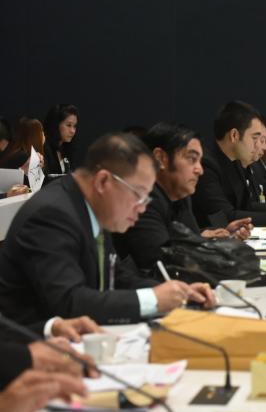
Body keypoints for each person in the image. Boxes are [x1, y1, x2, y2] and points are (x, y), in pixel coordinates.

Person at [0, 132, 215, 329]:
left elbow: (115, 277)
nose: (142, 208)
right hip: (33, 347)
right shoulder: (52, 215)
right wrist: (153, 299)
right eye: (138, 195)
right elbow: (69, 302)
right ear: (103, 181)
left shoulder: (89, 205)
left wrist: (177, 291)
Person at [114, 123, 253, 272]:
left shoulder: (180, 196)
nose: (200, 170)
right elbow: (166, 265)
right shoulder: (143, 201)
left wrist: (222, 239)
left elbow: (190, 245)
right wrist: (221, 248)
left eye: (199, 161)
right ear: (160, 158)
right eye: (191, 159)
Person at [193, 101, 266, 227]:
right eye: (255, 138)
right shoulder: (205, 164)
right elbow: (224, 216)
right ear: (234, 135)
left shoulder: (236, 162)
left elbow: (248, 206)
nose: (263, 147)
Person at [43, 104, 78, 175]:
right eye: (68, 125)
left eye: (74, 126)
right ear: (56, 124)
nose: (73, 131)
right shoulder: (44, 148)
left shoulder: (67, 149)